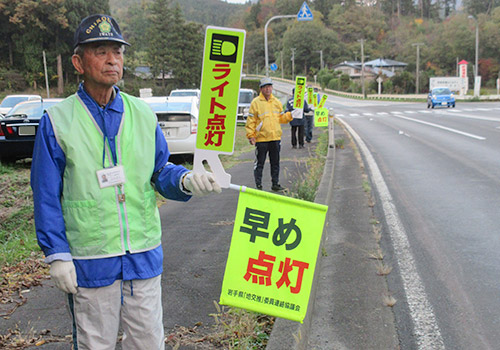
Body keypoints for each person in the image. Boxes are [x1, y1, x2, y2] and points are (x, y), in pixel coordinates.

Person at [30, 14, 221, 350]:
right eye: (100, 51)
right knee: (95, 344)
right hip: (91, 259)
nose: (111, 59)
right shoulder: (57, 122)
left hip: (143, 254)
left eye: (117, 52)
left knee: (149, 342)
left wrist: (188, 180)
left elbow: (160, 171)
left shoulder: (143, 114)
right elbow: (46, 195)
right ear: (78, 62)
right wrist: (57, 254)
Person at [245, 77, 300, 192]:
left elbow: (281, 118)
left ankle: (275, 183)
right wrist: (251, 135)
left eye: (270, 86)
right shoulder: (255, 103)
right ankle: (258, 185)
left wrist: (290, 115)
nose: (268, 89)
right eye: (265, 87)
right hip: (261, 139)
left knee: (275, 163)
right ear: (261, 89)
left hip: (275, 137)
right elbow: (251, 121)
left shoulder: (277, 102)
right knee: (260, 163)